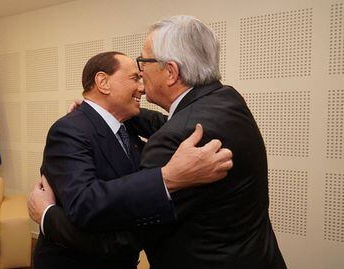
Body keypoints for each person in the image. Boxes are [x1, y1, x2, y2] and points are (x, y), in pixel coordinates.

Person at [32, 15, 288, 268]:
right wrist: (105, 108)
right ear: (103, 82)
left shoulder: (179, 139)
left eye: (143, 64)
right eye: (134, 77)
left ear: (171, 72)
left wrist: (46, 216)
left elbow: (122, 239)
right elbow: (170, 122)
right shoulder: (227, 101)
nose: (142, 83)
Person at [30, 51, 233, 269]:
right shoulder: (69, 130)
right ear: (103, 82)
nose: (143, 88)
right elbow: (84, 204)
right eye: (134, 78)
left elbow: (175, 126)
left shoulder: (126, 129)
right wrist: (47, 217)